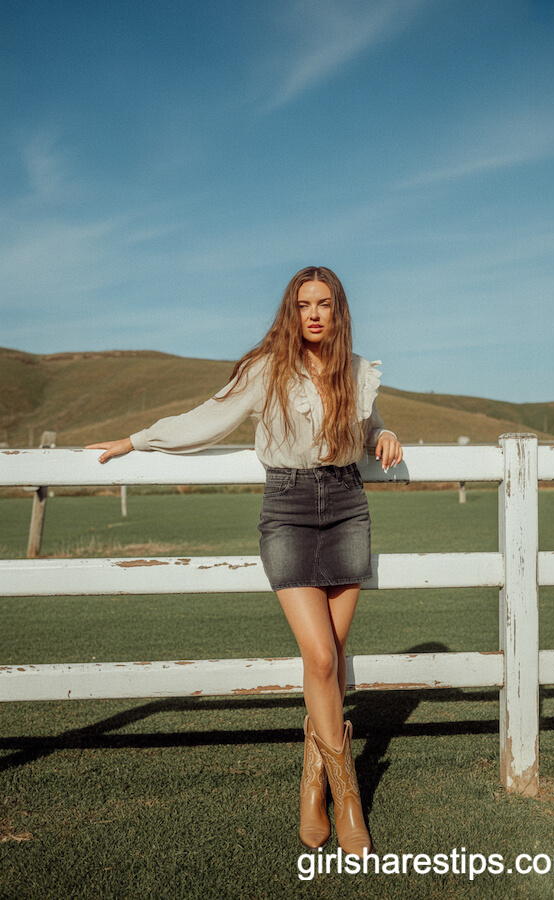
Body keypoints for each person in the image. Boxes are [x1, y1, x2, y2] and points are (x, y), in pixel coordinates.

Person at [87, 266, 402, 857]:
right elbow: (207, 419)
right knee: (320, 656)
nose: (314, 314)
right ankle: (349, 796)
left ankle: (315, 785)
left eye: (324, 304)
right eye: (304, 304)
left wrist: (383, 435)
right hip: (287, 509)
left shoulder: (356, 370)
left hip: (347, 506)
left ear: (338, 311)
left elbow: (364, 425)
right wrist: (136, 439)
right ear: (291, 310)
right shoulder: (267, 369)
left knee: (332, 658)